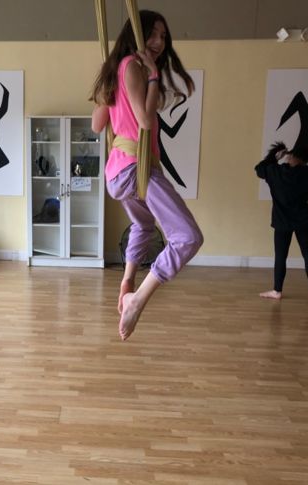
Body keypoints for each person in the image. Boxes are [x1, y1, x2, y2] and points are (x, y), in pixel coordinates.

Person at [90, 10, 203, 341]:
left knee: (144, 225)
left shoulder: (116, 72)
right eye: (152, 34)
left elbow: (97, 125)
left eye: (163, 36)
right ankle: (138, 300)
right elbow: (144, 121)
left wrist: (108, 92)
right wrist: (152, 77)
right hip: (134, 168)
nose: (158, 42)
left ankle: (127, 282)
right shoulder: (132, 67)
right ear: (136, 34)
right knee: (188, 237)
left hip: (117, 175)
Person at [255, 138, 308, 302]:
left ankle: (277, 291)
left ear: (291, 156)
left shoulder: (274, 171)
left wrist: (274, 157)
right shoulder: (306, 173)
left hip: (282, 221)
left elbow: (258, 169)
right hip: (303, 220)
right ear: (305, 161)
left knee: (281, 256)